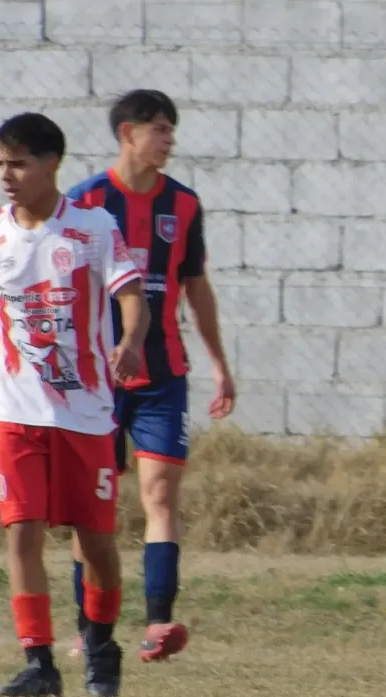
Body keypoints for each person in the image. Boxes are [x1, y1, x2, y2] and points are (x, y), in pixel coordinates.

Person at [0, 112, 151, 697]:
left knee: (94, 542)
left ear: (51, 165)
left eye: (18, 163)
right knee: (20, 531)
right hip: (14, 414)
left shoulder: (93, 226)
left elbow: (132, 295)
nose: (7, 175)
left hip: (84, 414)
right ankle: (40, 664)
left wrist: (130, 339)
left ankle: (100, 644)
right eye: (1, 163)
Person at [65, 89, 236, 663]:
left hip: (165, 375)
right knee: (93, 509)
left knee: (161, 493)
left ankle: (159, 625)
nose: (169, 140)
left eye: (171, 129)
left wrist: (219, 364)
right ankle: (89, 629)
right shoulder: (85, 202)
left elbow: (197, 288)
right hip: (97, 382)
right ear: (128, 134)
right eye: (160, 129)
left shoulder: (184, 204)